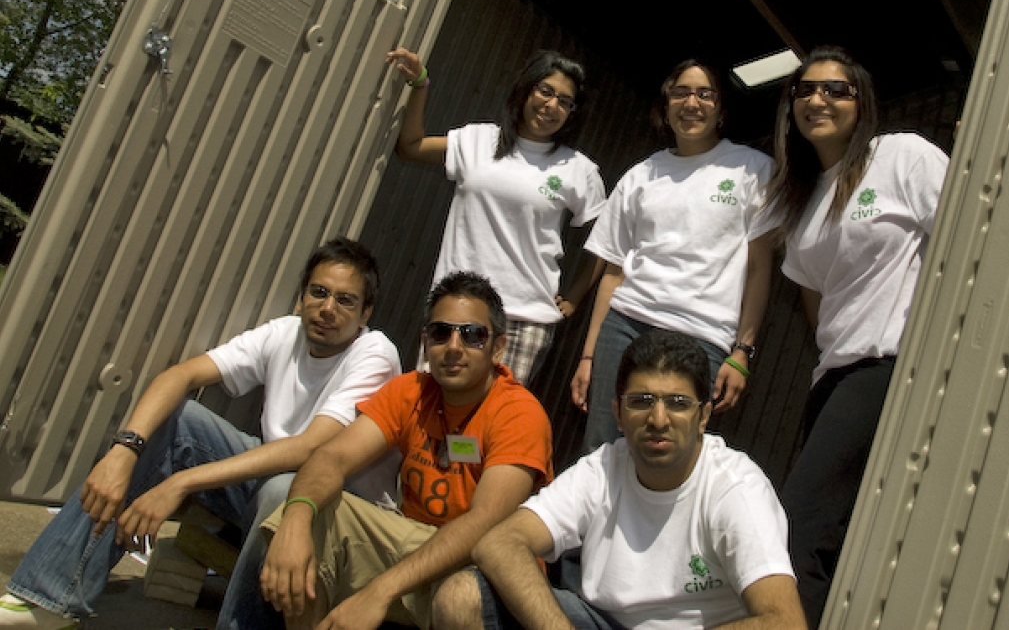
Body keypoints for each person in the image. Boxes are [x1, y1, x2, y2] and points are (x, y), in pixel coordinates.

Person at [0, 238, 402, 630]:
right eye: (319, 292)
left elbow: (311, 449)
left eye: (345, 300)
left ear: (365, 313)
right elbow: (183, 375)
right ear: (301, 298)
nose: (327, 308)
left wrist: (180, 482)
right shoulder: (285, 333)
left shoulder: (375, 355)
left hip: (336, 512)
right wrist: (124, 450)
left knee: (284, 489)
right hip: (271, 488)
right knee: (180, 420)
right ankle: (50, 596)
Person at [432, 331, 805, 630]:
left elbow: (784, 621)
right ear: (618, 413)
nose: (658, 419)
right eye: (642, 401)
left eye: (677, 403)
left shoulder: (735, 487)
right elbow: (499, 543)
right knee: (461, 596)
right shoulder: (603, 468)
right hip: (598, 621)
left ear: (703, 416)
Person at [765, 45, 949, 627]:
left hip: (886, 366)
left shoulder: (900, 156)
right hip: (833, 378)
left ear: (861, 101)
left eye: (835, 89)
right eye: (805, 90)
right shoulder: (802, 201)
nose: (818, 99)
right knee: (837, 539)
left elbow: (963, 233)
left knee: (799, 530)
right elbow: (816, 300)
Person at [259, 271, 554, 630]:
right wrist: (296, 520)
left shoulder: (519, 414)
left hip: (481, 570)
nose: (454, 347)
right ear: (425, 342)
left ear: (498, 348)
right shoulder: (411, 391)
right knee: (302, 507)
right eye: (441, 333)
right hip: (413, 545)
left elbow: (484, 523)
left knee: (461, 595)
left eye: (473, 335)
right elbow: (331, 457)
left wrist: (379, 592)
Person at [571, 59, 775, 453]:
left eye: (705, 94)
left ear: (722, 109)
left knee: (670, 456)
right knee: (601, 448)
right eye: (680, 93)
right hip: (626, 326)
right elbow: (613, 273)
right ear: (665, 106)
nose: (691, 103)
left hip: (704, 338)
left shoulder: (753, 170)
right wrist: (589, 355)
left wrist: (742, 353)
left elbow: (759, 268)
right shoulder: (640, 176)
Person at [386, 47, 607, 386]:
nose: (552, 106)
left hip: (523, 321)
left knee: (490, 431)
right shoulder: (479, 140)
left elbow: (607, 238)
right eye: (545, 91)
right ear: (526, 90)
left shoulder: (579, 170)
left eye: (565, 101)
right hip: (454, 309)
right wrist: (420, 83)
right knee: (431, 418)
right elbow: (411, 146)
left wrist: (575, 296)